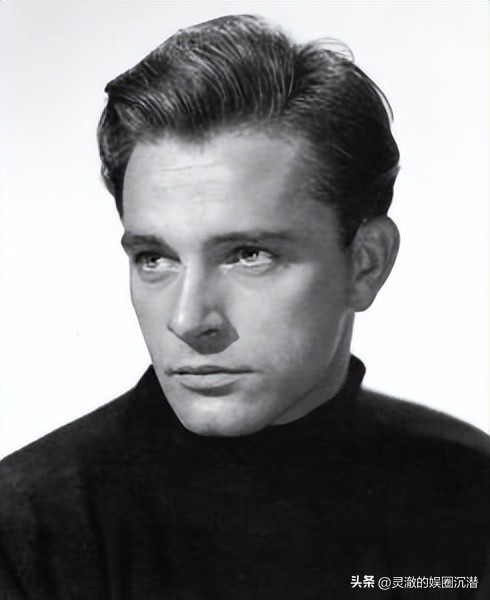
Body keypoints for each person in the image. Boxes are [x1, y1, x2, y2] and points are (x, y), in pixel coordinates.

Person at [1, 14, 488, 600]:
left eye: (248, 255)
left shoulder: (474, 495)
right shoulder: (24, 531)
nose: (188, 320)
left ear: (366, 263)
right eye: (155, 258)